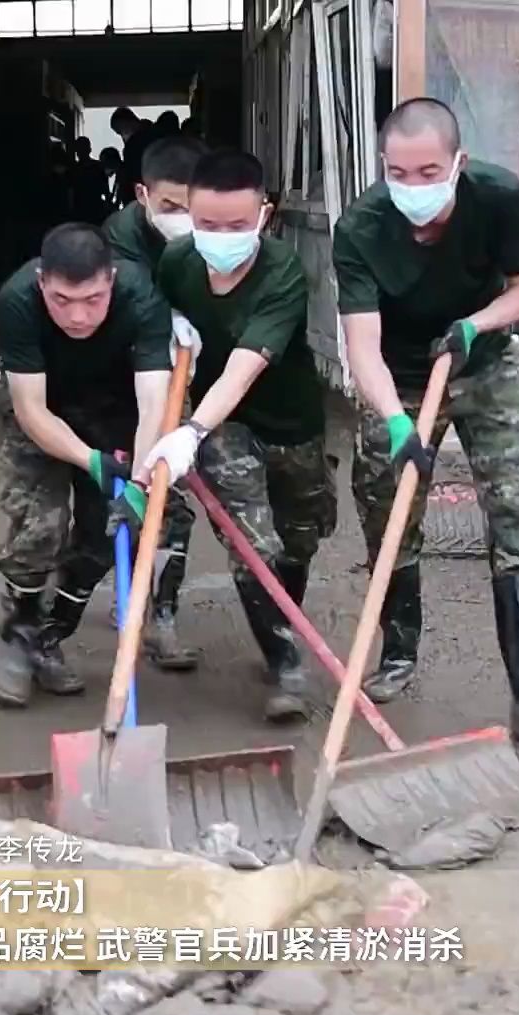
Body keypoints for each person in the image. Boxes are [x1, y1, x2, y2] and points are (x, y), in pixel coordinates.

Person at [332, 97, 519, 742]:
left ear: (458, 163)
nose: (412, 187)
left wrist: (476, 324)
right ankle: (398, 654)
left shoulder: (497, 196)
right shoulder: (360, 228)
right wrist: (394, 421)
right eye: (398, 173)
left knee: (517, 513)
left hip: (488, 361)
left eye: (428, 172)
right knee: (390, 514)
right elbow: (361, 344)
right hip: (402, 377)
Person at [140, 150, 336, 724]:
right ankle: (285, 662)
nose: (219, 237)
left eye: (235, 226)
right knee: (253, 545)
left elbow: (246, 365)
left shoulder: (282, 273)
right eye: (206, 225)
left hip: (292, 423)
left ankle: (280, 621)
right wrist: (196, 423)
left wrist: (190, 429)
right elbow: (158, 325)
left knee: (299, 542)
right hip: (225, 425)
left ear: (264, 215)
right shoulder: (177, 261)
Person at [0, 224, 174, 705]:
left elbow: (155, 401)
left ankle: (49, 637)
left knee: (104, 536)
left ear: (111, 280)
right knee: (39, 526)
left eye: (92, 299)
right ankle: (19, 632)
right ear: (41, 283)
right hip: (42, 407)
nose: (77, 315)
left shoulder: (142, 297)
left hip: (116, 408)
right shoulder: (16, 301)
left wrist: (137, 479)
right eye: (62, 300)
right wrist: (89, 461)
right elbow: (30, 408)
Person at [103, 135, 211, 670]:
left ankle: (160, 613)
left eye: (193, 207)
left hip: (181, 367)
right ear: (143, 194)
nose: (184, 219)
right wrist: (168, 317)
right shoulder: (120, 239)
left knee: (172, 495)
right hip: (122, 373)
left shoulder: (217, 223)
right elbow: (139, 308)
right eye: (170, 207)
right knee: (119, 488)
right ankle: (111, 593)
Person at [111, 107, 157, 208]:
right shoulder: (154, 133)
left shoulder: (134, 144)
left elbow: (133, 172)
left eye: (120, 130)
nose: (122, 135)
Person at [70, 135, 111, 223]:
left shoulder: (74, 169)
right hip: (92, 207)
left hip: (86, 208)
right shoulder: (98, 167)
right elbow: (105, 189)